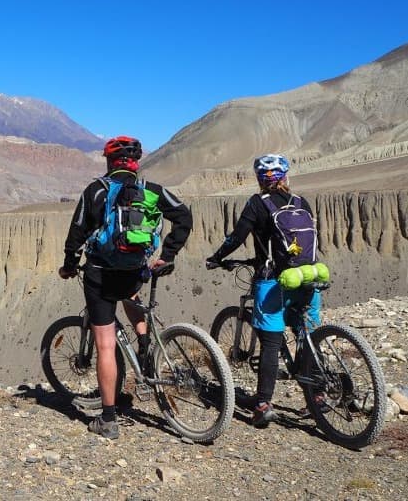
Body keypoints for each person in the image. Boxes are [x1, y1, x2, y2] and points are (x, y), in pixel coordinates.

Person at [58, 135, 193, 439]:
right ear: (136, 163)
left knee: (105, 344)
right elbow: (184, 216)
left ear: (108, 161)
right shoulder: (152, 191)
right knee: (131, 294)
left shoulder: (95, 190)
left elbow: (76, 233)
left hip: (100, 274)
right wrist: (168, 255)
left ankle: (108, 419)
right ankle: (145, 345)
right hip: (135, 270)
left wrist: (69, 265)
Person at [206, 153, 322, 428]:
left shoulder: (258, 203)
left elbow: (237, 236)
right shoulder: (300, 202)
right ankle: (318, 397)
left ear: (260, 179)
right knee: (307, 336)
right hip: (309, 276)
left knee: (270, 343)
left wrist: (217, 257)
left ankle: (262, 404)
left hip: (274, 281)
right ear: (286, 177)